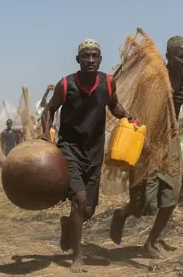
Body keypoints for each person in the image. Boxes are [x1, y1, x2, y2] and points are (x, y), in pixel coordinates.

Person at [41, 38, 131, 273]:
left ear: (100, 59)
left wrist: (128, 117)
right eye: (86, 56)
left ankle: (68, 225)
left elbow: (115, 106)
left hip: (94, 151)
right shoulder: (66, 84)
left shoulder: (108, 83)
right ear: (78, 59)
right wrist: (45, 135)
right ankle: (77, 256)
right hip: (69, 149)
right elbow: (49, 110)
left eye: (94, 56)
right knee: (79, 199)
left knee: (88, 210)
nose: (90, 60)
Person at [110, 36, 183, 258]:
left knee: (172, 196)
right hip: (147, 142)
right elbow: (138, 109)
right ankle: (123, 214)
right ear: (168, 56)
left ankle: (150, 243)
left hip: (171, 142)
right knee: (144, 203)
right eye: (179, 56)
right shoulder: (151, 79)